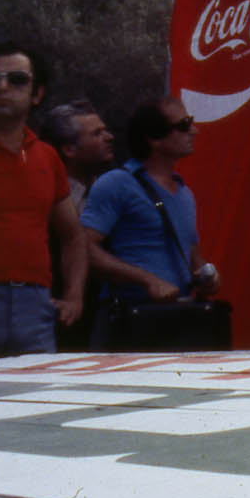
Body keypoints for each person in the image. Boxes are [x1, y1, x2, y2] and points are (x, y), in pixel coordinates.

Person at [81, 95, 220, 328]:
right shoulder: (116, 184)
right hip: (131, 318)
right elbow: (83, 249)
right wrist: (147, 280)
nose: (194, 131)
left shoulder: (185, 193)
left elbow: (191, 255)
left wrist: (207, 277)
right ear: (154, 139)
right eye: (184, 125)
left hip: (179, 316)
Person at [0, 44, 86, 356]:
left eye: (16, 79)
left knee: (36, 401)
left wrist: (74, 296)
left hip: (35, 309)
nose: (2, 87)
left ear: (37, 94)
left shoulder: (47, 157)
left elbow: (73, 236)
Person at [37, 99, 115, 214]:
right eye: (97, 133)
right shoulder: (49, 202)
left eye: (105, 130)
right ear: (69, 149)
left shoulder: (112, 190)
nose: (110, 137)